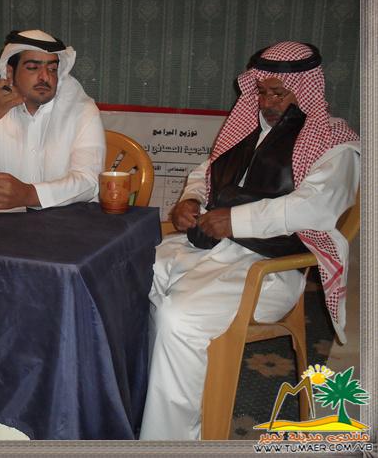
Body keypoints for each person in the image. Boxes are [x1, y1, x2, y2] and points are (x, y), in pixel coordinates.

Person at [139, 41, 360, 440]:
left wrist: (235, 221)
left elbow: (316, 208)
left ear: (306, 89)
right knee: (129, 275)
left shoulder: (333, 141)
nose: (267, 102)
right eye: (261, 91)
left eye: (279, 93)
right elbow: (206, 173)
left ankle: (169, 439)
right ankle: (142, 403)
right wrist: (191, 200)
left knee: (179, 316)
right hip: (208, 248)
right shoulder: (246, 130)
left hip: (271, 269)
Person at [0, 29, 105, 209]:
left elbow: (90, 182)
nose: (45, 77)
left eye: (52, 69)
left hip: (72, 221)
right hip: (12, 222)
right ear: (10, 72)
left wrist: (30, 194)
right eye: (33, 67)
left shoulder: (82, 111)